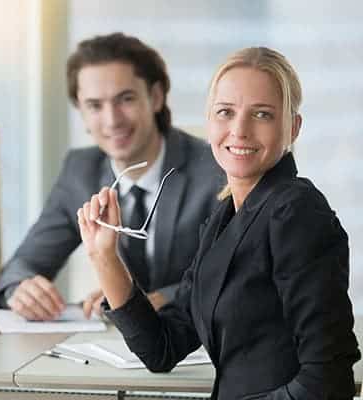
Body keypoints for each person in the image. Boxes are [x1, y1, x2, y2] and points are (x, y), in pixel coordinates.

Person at [77, 46, 360, 399]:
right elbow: (162, 347)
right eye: (225, 112)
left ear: (293, 128)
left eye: (262, 114)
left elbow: (326, 381)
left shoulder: (296, 213)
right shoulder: (223, 218)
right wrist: (104, 256)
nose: (239, 130)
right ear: (209, 122)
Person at [0, 32, 223, 320]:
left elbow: (236, 276)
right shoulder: (80, 170)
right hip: (109, 349)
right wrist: (20, 289)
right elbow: (24, 263)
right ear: (81, 112)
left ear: (155, 97)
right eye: (94, 106)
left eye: (125, 99)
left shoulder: (214, 169)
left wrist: (145, 298)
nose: (112, 120)